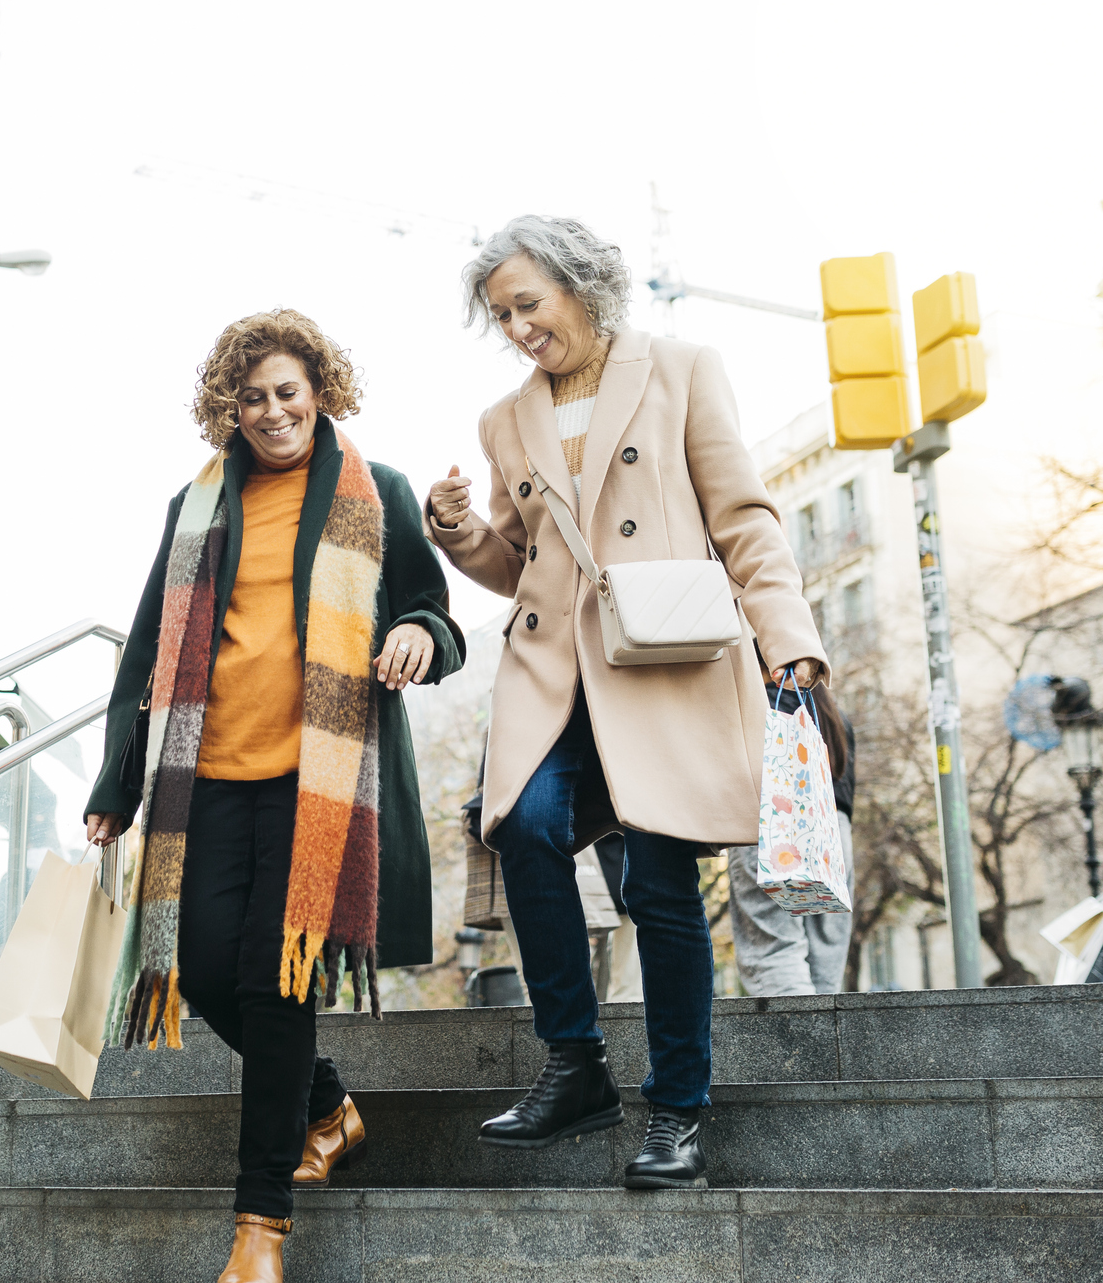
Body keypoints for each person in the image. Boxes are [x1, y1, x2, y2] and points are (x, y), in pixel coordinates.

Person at [425, 216, 826, 1189]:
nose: (517, 328)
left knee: (659, 885)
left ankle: (678, 1109)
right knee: (521, 825)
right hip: (557, 674)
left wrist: (790, 640)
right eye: (501, 314)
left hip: (665, 658)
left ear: (582, 286)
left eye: (529, 304)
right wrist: (459, 530)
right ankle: (576, 1063)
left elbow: (743, 516)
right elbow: (524, 566)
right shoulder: (505, 418)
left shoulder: (681, 368)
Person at [82, 309, 463, 1283]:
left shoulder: (377, 492)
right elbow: (144, 653)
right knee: (204, 969)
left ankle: (261, 1227)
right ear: (229, 409)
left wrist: (420, 632)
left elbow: (432, 607)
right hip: (205, 776)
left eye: (287, 391)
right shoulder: (197, 504)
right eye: (251, 397)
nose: (271, 410)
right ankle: (327, 1103)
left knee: (276, 977)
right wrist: (117, 781)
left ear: (319, 392)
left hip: (318, 780)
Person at [727, 672, 857, 995]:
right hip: (833, 833)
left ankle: (799, 1043)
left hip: (773, 821)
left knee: (774, 950)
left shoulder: (756, 702)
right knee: (825, 960)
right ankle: (826, 1039)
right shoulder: (831, 713)